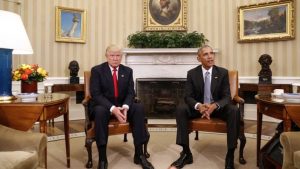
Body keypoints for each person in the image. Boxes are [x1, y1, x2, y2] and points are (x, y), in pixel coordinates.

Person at [169, 45, 240, 169]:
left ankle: (230, 154)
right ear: (199, 58)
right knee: (181, 109)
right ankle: (186, 153)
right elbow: (188, 96)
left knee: (234, 110)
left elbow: (227, 96)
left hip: (218, 109)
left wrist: (214, 105)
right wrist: (199, 106)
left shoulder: (222, 72)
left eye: (211, 53)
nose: (210, 56)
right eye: (206, 54)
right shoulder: (192, 73)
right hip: (199, 108)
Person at [89, 45, 154, 169]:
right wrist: (113, 108)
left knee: (139, 108)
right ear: (106, 56)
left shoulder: (127, 71)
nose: (115, 58)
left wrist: (125, 107)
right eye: (112, 55)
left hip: (122, 105)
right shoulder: (97, 70)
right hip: (104, 106)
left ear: (121, 57)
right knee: (100, 111)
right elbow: (96, 94)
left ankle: (139, 154)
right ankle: (102, 158)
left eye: (118, 55)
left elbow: (131, 93)